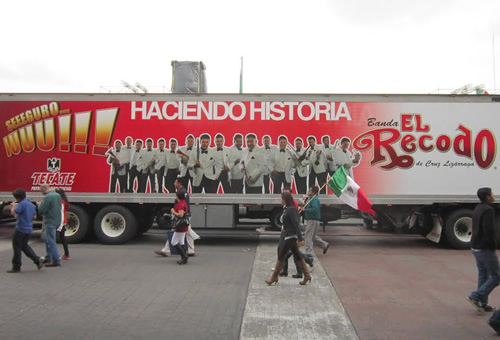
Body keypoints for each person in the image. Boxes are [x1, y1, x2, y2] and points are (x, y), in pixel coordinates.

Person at [266, 191, 311, 285]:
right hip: (288, 235)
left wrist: (300, 238)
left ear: (285, 200)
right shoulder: (287, 209)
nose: (280, 200)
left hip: (291, 236)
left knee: (281, 255)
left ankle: (274, 277)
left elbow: (296, 224)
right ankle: (307, 276)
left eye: (281, 199)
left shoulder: (291, 210)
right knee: (297, 255)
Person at [467, 187, 500, 313]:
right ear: (487, 197)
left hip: (475, 246)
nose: (493, 196)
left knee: (483, 274)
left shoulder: (478, 207)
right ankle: (475, 296)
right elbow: (489, 230)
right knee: (497, 276)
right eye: (491, 194)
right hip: (485, 247)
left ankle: (482, 303)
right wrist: (493, 245)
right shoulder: (488, 210)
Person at [155, 177, 199, 257]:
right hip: (185, 216)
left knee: (175, 231)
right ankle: (190, 250)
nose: (174, 183)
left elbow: (182, 205)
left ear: (179, 183)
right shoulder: (182, 191)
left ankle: (166, 250)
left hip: (182, 217)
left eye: (175, 182)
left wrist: (174, 212)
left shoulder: (181, 192)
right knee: (188, 233)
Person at [7, 188, 45, 273]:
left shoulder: (21, 204)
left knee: (17, 247)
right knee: (25, 246)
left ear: (18, 198)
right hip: (28, 228)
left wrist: (13, 206)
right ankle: (37, 260)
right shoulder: (31, 204)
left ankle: (16, 266)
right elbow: (34, 217)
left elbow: (14, 212)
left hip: (20, 228)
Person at [38, 183, 62, 267]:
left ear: (44, 189)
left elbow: (42, 209)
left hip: (50, 220)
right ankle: (49, 257)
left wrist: (39, 205)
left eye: (41, 191)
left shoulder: (48, 197)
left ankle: (56, 260)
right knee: (46, 238)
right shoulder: (57, 195)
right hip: (57, 220)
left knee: (51, 240)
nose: (41, 193)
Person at [301, 186, 329, 255]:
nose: (308, 192)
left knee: (308, 236)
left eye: (310, 190)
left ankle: (309, 252)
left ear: (313, 192)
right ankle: (324, 245)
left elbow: (315, 209)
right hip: (312, 219)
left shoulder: (314, 199)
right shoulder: (311, 199)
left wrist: (305, 210)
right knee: (312, 235)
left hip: (313, 219)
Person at [170, 190, 190, 265]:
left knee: (173, 242)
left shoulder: (180, 204)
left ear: (178, 196)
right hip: (183, 225)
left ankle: (184, 257)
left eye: (176, 195)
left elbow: (181, 215)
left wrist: (173, 211)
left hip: (180, 226)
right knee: (181, 241)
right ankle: (184, 257)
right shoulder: (184, 202)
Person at [55, 188, 71, 260]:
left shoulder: (60, 202)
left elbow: (60, 212)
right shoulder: (65, 201)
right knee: (63, 238)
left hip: (59, 221)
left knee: (53, 238)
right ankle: (66, 253)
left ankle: (54, 254)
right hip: (63, 221)